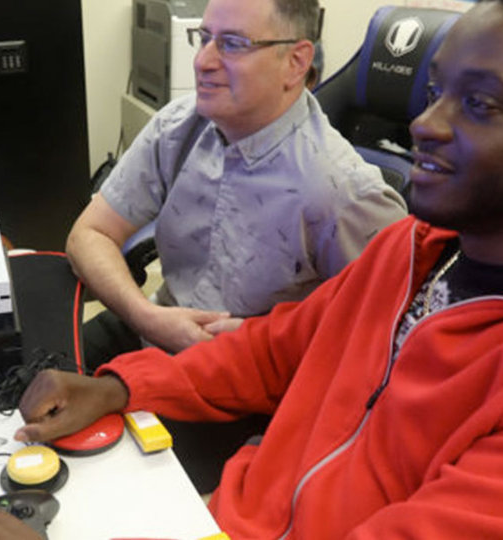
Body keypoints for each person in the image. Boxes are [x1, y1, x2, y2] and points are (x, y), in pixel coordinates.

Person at [0, 0, 503, 538]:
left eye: (480, 105)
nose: (425, 123)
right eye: (437, 89)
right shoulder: (409, 251)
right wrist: (124, 386)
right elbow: (273, 350)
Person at [73, 0, 406, 365]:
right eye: (203, 38)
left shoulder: (343, 192)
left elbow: (381, 338)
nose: (202, 61)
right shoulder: (178, 126)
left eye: (232, 44)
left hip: (243, 375)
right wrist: (147, 317)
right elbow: (89, 234)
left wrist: (259, 344)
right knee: (27, 381)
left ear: (295, 62)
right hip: (155, 325)